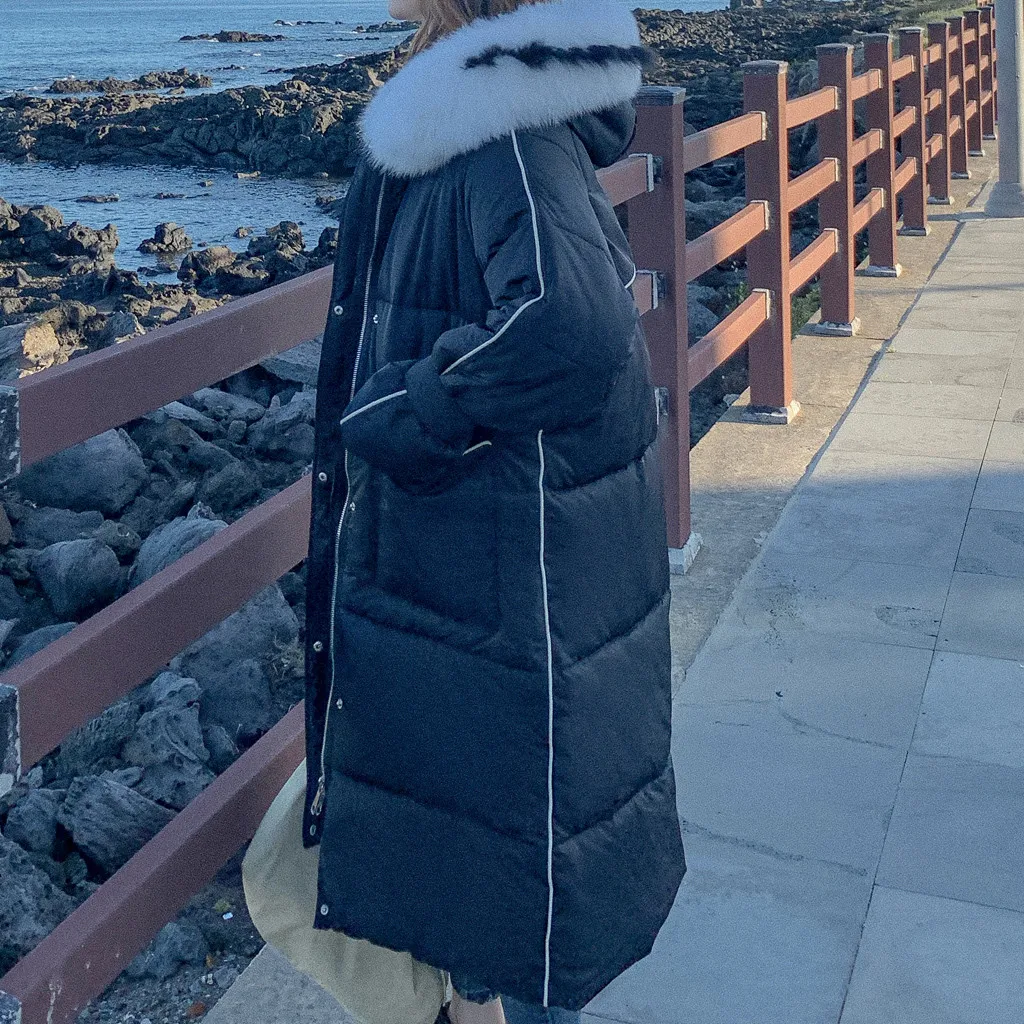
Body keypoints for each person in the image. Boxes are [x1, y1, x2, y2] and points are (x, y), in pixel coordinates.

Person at [302, 0, 687, 1021]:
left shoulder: (503, 129)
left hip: (499, 585)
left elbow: (568, 324)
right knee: (502, 899)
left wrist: (406, 409)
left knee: (516, 910)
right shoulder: (490, 111)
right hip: (495, 580)